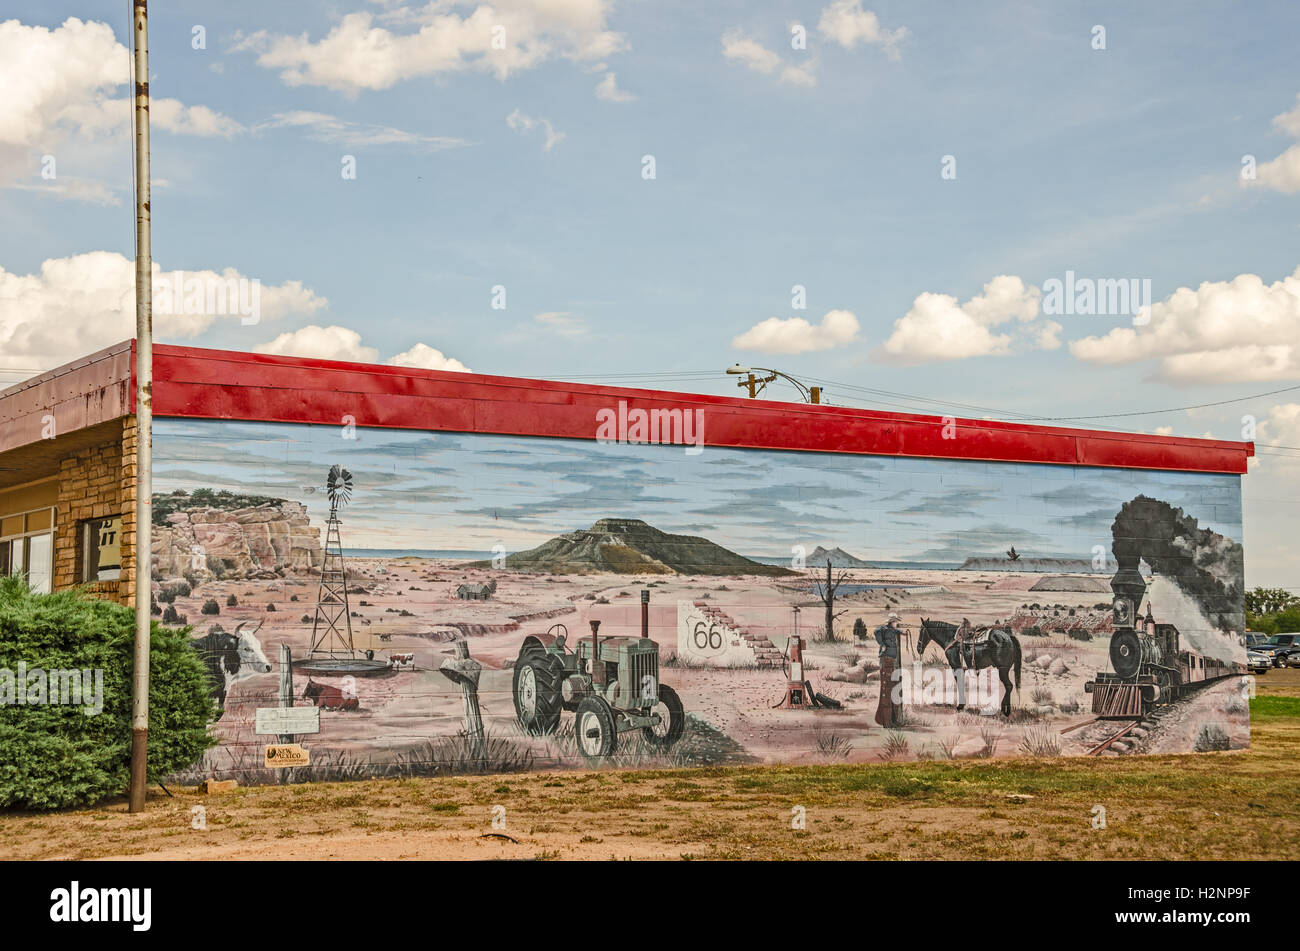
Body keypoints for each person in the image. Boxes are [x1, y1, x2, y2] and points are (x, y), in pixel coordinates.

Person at [874, 612, 903, 727]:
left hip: (891, 661)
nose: (896, 623)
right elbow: (876, 631)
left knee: (893, 690)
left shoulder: (892, 630)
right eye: (895, 621)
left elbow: (896, 631)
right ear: (891, 622)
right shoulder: (884, 629)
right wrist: (882, 644)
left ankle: (893, 720)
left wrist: (902, 633)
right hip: (886, 660)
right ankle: (887, 722)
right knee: (887, 691)